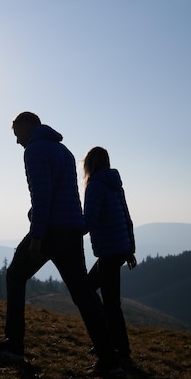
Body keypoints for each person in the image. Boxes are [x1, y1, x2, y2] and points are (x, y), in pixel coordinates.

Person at [0, 112, 122, 375]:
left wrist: (36, 237)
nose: (17, 142)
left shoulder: (34, 151)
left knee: (15, 276)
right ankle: (109, 359)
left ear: (28, 127)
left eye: (17, 134)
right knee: (84, 293)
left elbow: (42, 195)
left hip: (50, 231)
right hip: (71, 230)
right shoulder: (64, 151)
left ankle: (14, 345)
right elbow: (64, 194)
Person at [82, 146, 137, 367]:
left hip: (108, 251)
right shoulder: (115, 185)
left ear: (89, 164)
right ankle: (109, 343)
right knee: (90, 290)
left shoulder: (95, 185)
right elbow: (127, 219)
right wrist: (130, 249)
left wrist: (68, 226)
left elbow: (89, 221)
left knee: (110, 303)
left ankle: (122, 352)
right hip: (118, 250)